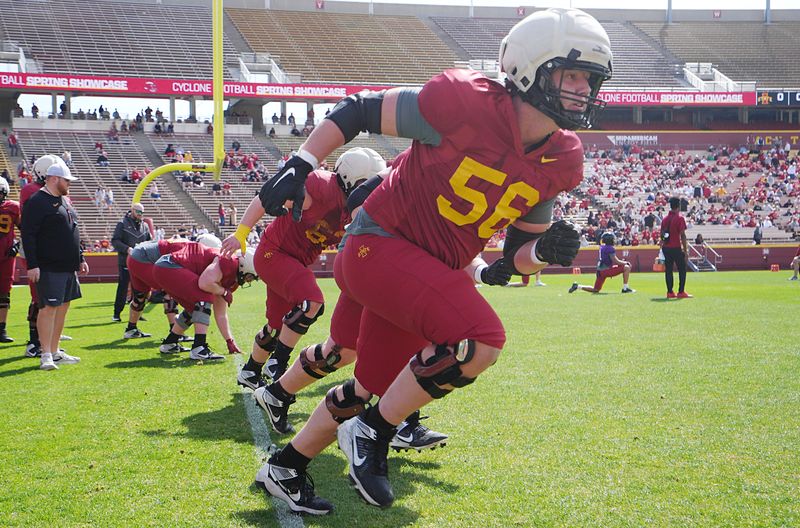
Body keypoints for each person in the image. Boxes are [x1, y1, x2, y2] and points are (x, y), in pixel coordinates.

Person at [250, 7, 611, 513]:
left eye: (589, 78)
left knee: (369, 384)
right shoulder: (465, 102)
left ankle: (286, 465)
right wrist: (302, 161)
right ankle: (373, 432)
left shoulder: (563, 158)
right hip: (381, 243)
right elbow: (361, 109)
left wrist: (543, 254)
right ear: (530, 68)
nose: (581, 88)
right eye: (569, 73)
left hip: (426, 271)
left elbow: (512, 263)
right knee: (481, 340)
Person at [21, 163, 86, 371]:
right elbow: (28, 235)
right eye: (67, 180)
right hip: (49, 266)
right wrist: (32, 265)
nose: (69, 184)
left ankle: (56, 351)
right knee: (48, 309)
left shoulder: (64, 201)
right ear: (54, 179)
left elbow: (73, 229)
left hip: (68, 266)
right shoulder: (37, 201)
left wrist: (80, 257)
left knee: (63, 307)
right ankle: (45, 353)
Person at [152, 243, 256, 360]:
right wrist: (225, 292)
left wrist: (229, 341)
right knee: (204, 297)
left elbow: (221, 314)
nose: (249, 281)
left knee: (194, 309)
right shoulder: (228, 262)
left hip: (165, 266)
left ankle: (170, 343)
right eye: (250, 277)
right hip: (169, 265)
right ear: (244, 267)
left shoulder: (230, 275)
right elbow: (204, 283)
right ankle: (199, 347)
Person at [111, 204, 152, 322]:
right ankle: (116, 313)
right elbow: (115, 241)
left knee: (140, 289)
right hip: (125, 261)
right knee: (123, 287)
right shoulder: (122, 223)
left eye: (142, 213)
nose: (140, 214)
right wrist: (127, 249)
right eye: (138, 212)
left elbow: (149, 241)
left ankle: (137, 313)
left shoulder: (145, 226)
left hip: (140, 262)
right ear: (132, 210)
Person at [569, 232, 634, 294]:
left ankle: (577, 286)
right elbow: (615, 261)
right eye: (613, 239)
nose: (614, 240)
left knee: (596, 289)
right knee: (626, 267)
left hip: (600, 271)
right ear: (610, 240)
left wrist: (621, 263)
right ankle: (625, 288)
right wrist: (625, 262)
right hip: (606, 270)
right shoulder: (610, 248)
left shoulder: (602, 247)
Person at [0, 178, 21, 343]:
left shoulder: (13, 207)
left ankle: (1, 329)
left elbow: (26, 228)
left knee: (4, 294)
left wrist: (17, 243)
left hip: (6, 257)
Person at [661, 196, 692, 299]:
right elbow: (682, 235)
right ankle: (681, 291)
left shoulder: (665, 219)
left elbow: (662, 234)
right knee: (682, 269)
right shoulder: (680, 218)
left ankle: (670, 292)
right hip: (676, 247)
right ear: (678, 206)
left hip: (666, 247)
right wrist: (686, 250)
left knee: (668, 270)